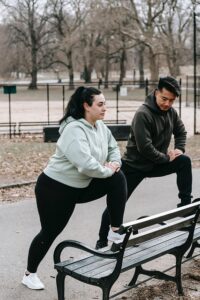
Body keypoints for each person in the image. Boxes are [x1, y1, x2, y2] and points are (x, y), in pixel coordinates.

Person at [22, 86, 127, 290]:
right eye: (100, 104)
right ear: (86, 106)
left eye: (105, 103)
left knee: (118, 178)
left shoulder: (100, 126)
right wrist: (107, 170)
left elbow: (114, 148)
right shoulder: (74, 130)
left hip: (81, 185)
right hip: (55, 189)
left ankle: (115, 231)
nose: (105, 108)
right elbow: (86, 165)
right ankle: (29, 274)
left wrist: (114, 165)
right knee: (50, 232)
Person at [96, 76, 192, 249]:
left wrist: (179, 149)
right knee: (117, 202)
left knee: (184, 161)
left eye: (171, 100)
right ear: (156, 93)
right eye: (164, 99)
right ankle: (102, 240)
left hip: (156, 163)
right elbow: (145, 148)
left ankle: (185, 206)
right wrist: (166, 158)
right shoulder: (143, 114)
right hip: (134, 166)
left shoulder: (171, 112)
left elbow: (181, 132)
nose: (167, 104)